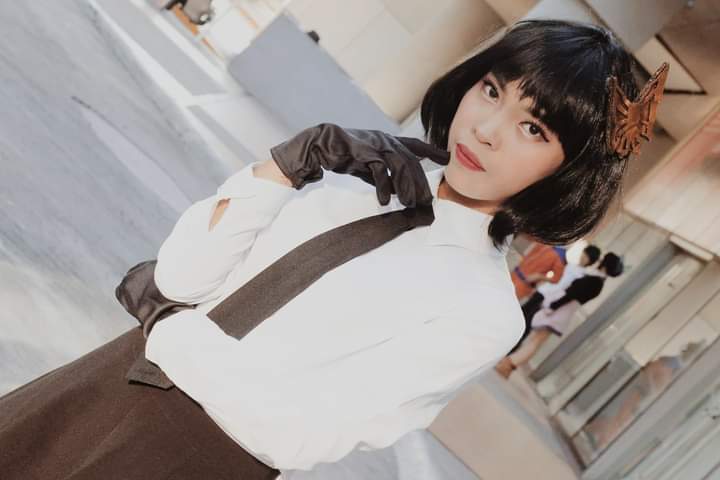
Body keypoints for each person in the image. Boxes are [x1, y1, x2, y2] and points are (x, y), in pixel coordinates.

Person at [0, 19, 667, 479]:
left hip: (191, 456)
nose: (487, 128)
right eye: (491, 90)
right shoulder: (360, 173)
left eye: (532, 128)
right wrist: (286, 165)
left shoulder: (484, 310)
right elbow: (178, 277)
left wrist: (171, 331)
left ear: (567, 171)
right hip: (101, 381)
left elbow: (299, 433)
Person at [496, 252, 624, 378]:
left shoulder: (595, 281)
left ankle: (509, 364)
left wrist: (553, 306)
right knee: (536, 341)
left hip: (559, 311)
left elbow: (570, 295)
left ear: (605, 265)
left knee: (536, 341)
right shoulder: (597, 281)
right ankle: (509, 364)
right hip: (561, 311)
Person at [508, 244, 601, 353]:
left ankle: (511, 348)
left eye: (587, 257)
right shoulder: (569, 265)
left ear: (590, 261)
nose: (583, 257)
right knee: (520, 315)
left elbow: (564, 289)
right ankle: (507, 339)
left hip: (549, 299)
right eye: (584, 254)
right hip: (542, 292)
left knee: (527, 323)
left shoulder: (582, 276)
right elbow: (555, 278)